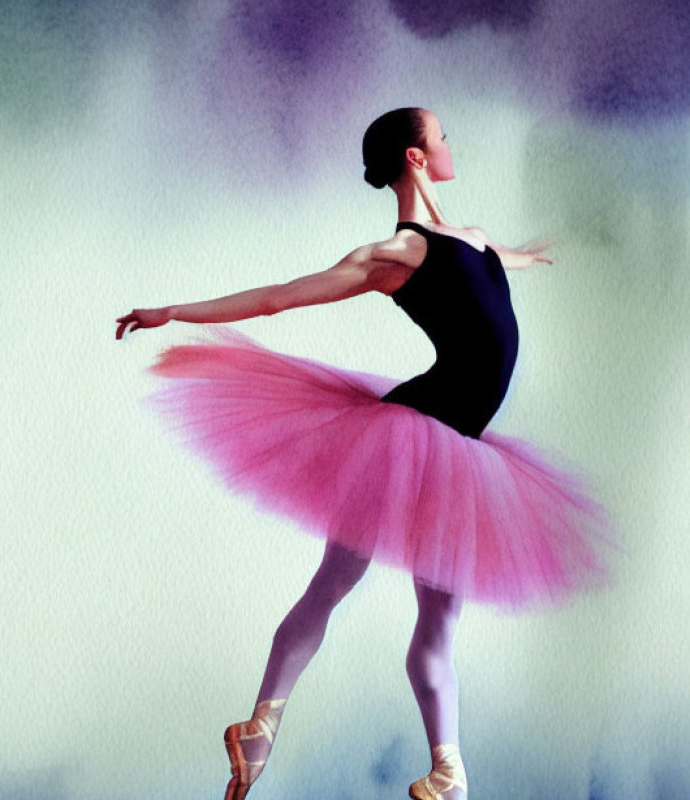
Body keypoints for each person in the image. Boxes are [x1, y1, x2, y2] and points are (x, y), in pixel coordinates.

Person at [115, 108, 610, 800]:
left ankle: (449, 771)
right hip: (411, 435)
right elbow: (276, 300)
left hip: (464, 453)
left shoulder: (474, 239)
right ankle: (260, 725)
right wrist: (172, 311)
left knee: (439, 622)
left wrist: (548, 247)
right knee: (335, 583)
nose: (450, 143)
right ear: (415, 156)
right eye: (442, 135)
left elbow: (503, 260)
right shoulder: (394, 257)